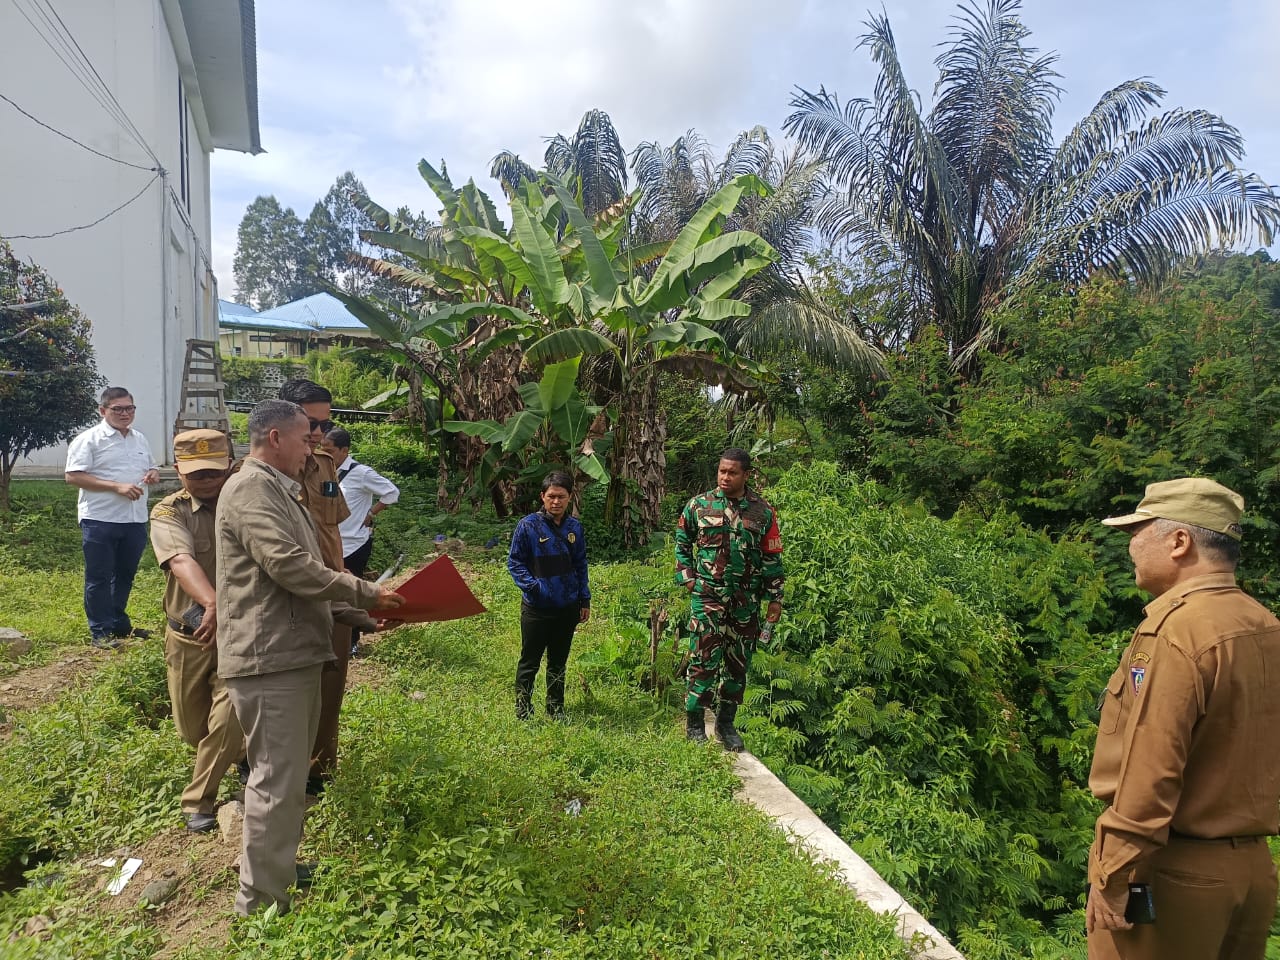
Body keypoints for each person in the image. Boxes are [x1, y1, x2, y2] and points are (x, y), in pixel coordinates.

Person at [216, 399, 403, 916]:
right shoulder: (253, 489)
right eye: (306, 438)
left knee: (290, 775)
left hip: (292, 651)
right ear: (275, 438)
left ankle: (278, 867)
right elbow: (289, 567)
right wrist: (367, 593)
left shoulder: (282, 490)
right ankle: (259, 903)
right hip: (269, 656)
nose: (314, 448)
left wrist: (362, 617)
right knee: (276, 779)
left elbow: (308, 578)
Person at [1087, 477, 1280, 960]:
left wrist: (1114, 872)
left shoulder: (1176, 633)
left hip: (1173, 877)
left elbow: (1151, 770)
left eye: (1140, 529)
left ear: (1179, 541)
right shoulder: (1265, 626)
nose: (1131, 544)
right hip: (1252, 871)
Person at [148, 429, 243, 833]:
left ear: (231, 465)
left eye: (213, 472)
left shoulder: (246, 505)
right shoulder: (169, 511)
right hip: (189, 634)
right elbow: (181, 559)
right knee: (192, 729)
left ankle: (198, 799)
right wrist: (211, 603)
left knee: (228, 714)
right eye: (195, 474)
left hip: (240, 632)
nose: (206, 481)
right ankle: (240, 753)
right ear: (177, 470)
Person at [277, 380, 359, 793]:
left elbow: (333, 531)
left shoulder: (326, 466)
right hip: (284, 601)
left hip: (331, 596)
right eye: (311, 422)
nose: (319, 433)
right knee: (286, 692)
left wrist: (345, 582)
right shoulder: (260, 474)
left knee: (331, 689)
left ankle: (318, 771)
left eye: (324, 424)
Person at [675, 448, 784, 750]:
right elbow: (682, 543)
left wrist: (775, 597)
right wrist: (688, 579)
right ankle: (695, 725)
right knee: (703, 660)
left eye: (732, 472)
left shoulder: (762, 512)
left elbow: (772, 557)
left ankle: (726, 724)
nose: (725, 477)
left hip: (745, 602)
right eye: (721, 471)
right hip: (707, 597)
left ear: (746, 475)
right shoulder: (698, 506)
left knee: (737, 664)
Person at [64, 386, 160, 648]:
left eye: (129, 408)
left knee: (125, 574)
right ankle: (100, 631)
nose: (125, 413)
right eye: (118, 409)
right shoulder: (89, 440)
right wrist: (116, 487)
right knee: (99, 576)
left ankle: (118, 624)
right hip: (100, 518)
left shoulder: (139, 439)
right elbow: (73, 476)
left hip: (134, 518)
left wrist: (153, 473)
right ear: (103, 410)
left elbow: (151, 465)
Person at [507, 471, 590, 719]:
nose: (556, 502)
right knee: (529, 661)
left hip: (567, 606)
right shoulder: (528, 526)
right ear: (542, 497)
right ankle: (523, 709)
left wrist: (584, 599)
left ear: (570, 498)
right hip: (537, 608)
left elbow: (580, 564)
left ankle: (555, 709)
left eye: (561, 497)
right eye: (551, 496)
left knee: (558, 662)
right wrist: (534, 587)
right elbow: (515, 562)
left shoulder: (574, 528)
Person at [321, 426, 400, 656]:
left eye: (330, 450)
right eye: (321, 448)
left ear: (344, 450)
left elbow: (392, 493)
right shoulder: (323, 470)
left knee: (351, 595)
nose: (324, 453)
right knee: (330, 594)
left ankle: (351, 642)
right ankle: (330, 640)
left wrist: (371, 513)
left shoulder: (361, 473)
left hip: (354, 544)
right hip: (330, 543)